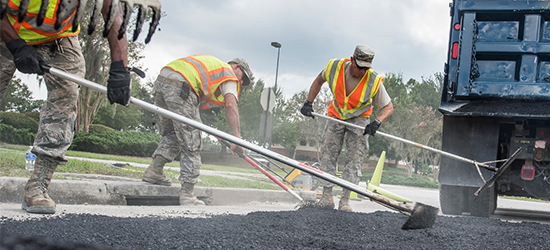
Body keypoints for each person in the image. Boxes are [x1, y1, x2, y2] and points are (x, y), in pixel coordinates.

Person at [0, 0, 132, 214]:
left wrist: (120, 67)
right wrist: (17, 46)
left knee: (66, 99)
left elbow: (112, 11)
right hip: (7, 30)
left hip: (60, 38)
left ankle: (37, 186)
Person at [142, 55, 252, 206]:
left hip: (162, 80)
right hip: (181, 85)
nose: (240, 82)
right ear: (236, 67)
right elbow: (231, 105)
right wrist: (237, 138)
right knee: (192, 140)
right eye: (242, 78)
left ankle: (154, 171)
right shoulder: (228, 73)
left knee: (175, 133)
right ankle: (187, 194)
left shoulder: (212, 67)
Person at [300, 45, 394, 212]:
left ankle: (345, 200)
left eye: (366, 68)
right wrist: (309, 102)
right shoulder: (334, 67)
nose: (362, 72)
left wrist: (377, 122)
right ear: (352, 61)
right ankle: (326, 196)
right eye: (360, 67)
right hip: (336, 114)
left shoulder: (373, 80)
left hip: (359, 120)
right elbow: (318, 81)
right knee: (328, 154)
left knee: (354, 159)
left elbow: (388, 107)